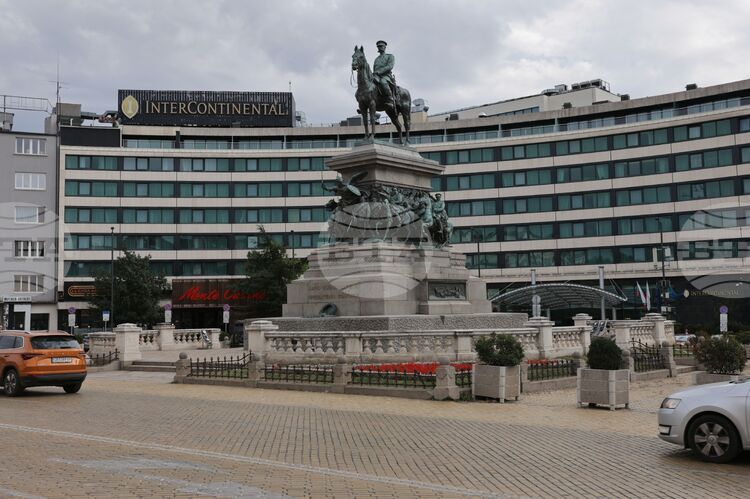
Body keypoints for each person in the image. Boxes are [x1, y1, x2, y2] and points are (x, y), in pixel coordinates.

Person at [373, 40, 396, 108]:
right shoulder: (376, 59)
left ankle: (390, 100)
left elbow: (390, 66)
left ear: (385, 47)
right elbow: (374, 69)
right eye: (378, 46)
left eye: (381, 46)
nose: (380, 48)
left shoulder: (390, 56)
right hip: (376, 76)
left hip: (386, 76)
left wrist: (379, 71)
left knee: (383, 82)